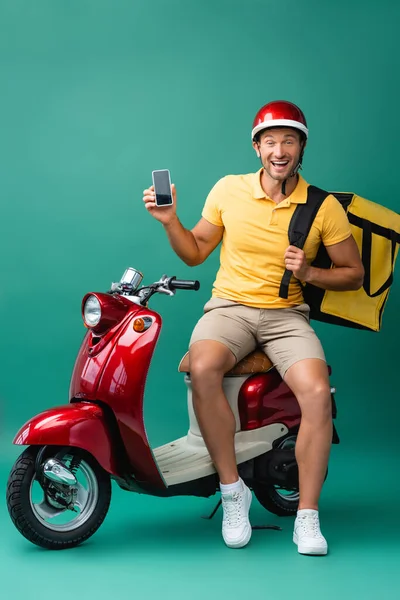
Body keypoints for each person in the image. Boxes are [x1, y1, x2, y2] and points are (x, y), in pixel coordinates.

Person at [142, 100, 364, 554]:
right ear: (257, 147)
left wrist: (310, 274)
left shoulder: (322, 207)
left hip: (286, 316)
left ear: (301, 148)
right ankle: (232, 492)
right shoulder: (228, 189)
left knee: (318, 394)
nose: (278, 150)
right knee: (202, 369)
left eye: (289, 141)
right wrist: (171, 223)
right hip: (230, 309)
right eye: (270, 141)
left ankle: (307, 516)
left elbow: (354, 274)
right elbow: (195, 251)